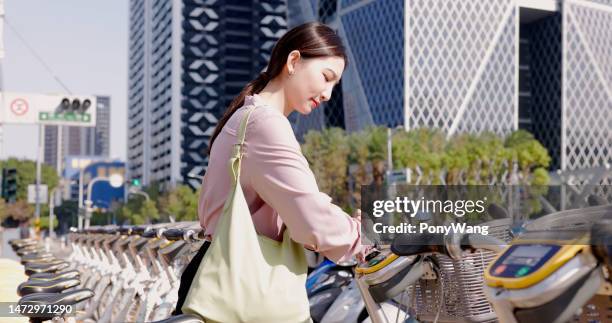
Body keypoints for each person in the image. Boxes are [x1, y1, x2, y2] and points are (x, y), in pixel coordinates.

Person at [174, 21, 370, 315]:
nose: (328, 94)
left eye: (334, 85)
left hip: (221, 275)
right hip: (242, 286)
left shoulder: (246, 116)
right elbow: (310, 218)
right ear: (293, 61)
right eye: (326, 77)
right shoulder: (265, 124)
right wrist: (362, 236)